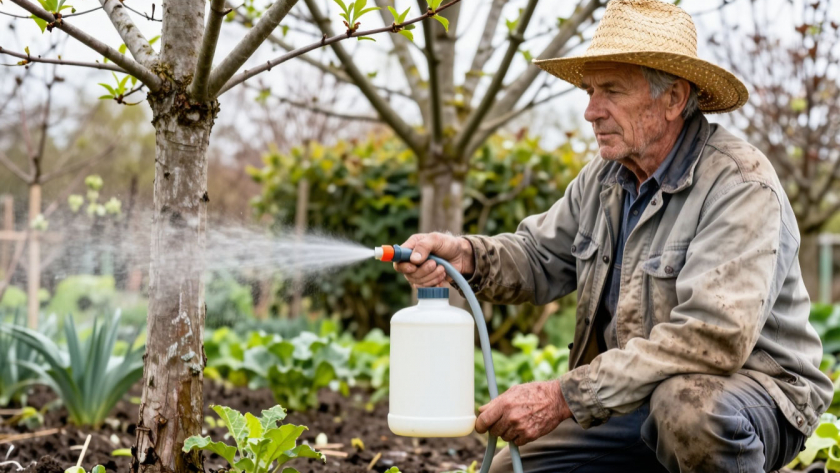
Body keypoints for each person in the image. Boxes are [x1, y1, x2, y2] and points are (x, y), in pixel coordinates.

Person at [393, 0, 833, 471]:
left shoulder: (739, 185)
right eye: (589, 91)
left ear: (673, 99)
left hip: (752, 394)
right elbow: (540, 256)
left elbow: (713, 337)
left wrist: (563, 396)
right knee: (510, 470)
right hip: (635, 393)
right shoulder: (603, 179)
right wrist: (465, 256)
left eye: (611, 91)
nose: (590, 111)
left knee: (687, 408)